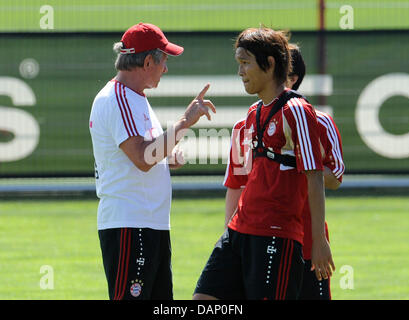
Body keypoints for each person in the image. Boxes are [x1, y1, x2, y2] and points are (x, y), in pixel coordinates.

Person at [193, 27, 334, 300]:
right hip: (238, 232)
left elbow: (315, 178)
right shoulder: (253, 112)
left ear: (269, 64)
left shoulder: (297, 112)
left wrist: (318, 241)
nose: (240, 71)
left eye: (245, 63)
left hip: (276, 236)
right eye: (239, 63)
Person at [89, 22, 216, 300]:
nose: (165, 69)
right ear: (148, 61)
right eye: (163, 61)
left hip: (149, 224)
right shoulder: (116, 99)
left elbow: (144, 156)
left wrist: (166, 160)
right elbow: (143, 158)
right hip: (130, 224)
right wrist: (185, 122)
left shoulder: (135, 98)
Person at [222, 43, 345, 300]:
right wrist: (231, 241)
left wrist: (296, 159)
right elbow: (237, 183)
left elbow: (334, 177)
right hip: (257, 238)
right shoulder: (245, 124)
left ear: (292, 78)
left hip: (308, 242)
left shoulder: (318, 121)